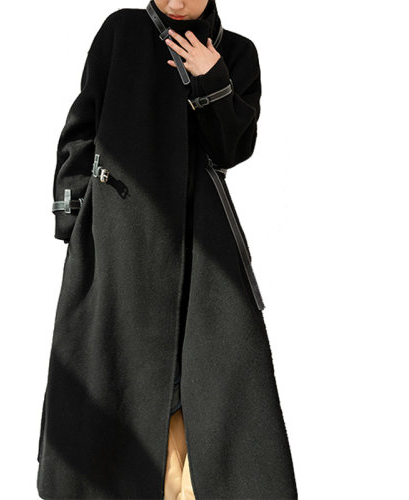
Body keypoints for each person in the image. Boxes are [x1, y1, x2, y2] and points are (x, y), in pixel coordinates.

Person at [37, 1, 298, 498]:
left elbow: (231, 150)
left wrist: (212, 78)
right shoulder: (121, 31)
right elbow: (81, 127)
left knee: (217, 378)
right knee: (111, 372)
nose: (176, 1)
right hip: (117, 237)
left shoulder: (236, 52)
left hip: (202, 242)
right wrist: (75, 222)